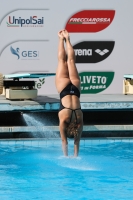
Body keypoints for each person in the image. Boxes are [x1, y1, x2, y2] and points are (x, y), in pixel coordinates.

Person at [55, 29, 83, 157]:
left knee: (71, 61)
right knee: (62, 61)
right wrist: (66, 157)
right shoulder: (64, 120)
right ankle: (61, 39)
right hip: (64, 88)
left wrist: (75, 156)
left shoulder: (79, 120)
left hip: (75, 88)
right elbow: (64, 141)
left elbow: (77, 143)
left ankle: (68, 39)